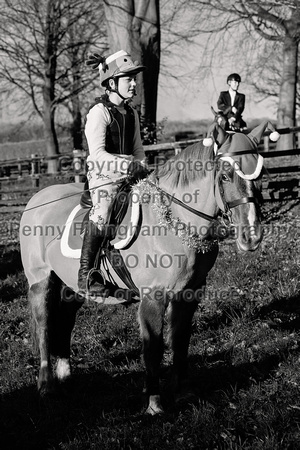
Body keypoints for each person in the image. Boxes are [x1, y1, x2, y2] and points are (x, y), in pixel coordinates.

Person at [78, 49, 149, 295]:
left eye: (134, 78)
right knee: (103, 211)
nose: (133, 83)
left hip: (130, 173)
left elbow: (138, 149)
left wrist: (141, 166)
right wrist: (127, 164)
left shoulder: (132, 113)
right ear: (111, 83)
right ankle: (86, 275)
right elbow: (96, 154)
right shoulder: (99, 112)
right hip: (102, 174)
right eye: (128, 78)